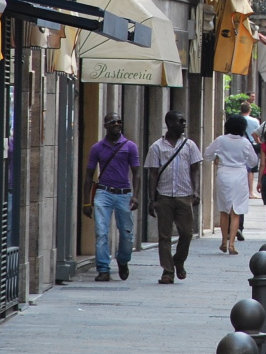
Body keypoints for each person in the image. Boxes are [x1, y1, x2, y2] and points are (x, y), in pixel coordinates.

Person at [144, 111, 202, 284]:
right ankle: (167, 271)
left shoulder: (190, 145)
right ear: (169, 122)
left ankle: (179, 260)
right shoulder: (157, 147)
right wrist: (152, 199)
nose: (184, 123)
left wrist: (196, 191)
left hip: (184, 195)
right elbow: (152, 173)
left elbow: (195, 169)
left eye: (184, 121)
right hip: (164, 196)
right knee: (164, 236)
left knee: (186, 233)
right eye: (180, 121)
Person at [82, 112, 140, 282]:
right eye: (112, 122)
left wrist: (135, 196)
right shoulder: (97, 148)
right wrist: (86, 202)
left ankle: (123, 260)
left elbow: (136, 173)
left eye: (119, 121)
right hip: (103, 193)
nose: (117, 124)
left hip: (124, 194)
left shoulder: (130, 146)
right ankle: (103, 269)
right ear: (105, 126)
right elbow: (88, 175)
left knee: (127, 234)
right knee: (101, 232)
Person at [203, 114, 259, 255]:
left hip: (224, 174)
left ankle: (223, 241)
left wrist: (217, 158)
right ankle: (232, 245)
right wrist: (242, 162)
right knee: (236, 211)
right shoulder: (245, 142)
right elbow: (253, 161)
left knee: (224, 210)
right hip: (239, 176)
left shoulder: (221, 140)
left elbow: (207, 154)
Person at [241, 103, 263, 200]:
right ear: (249, 110)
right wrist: (259, 142)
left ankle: (242, 191)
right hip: (251, 146)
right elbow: (258, 133)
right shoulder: (255, 121)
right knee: (251, 170)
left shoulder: (238, 120)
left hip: (240, 145)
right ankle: (250, 191)